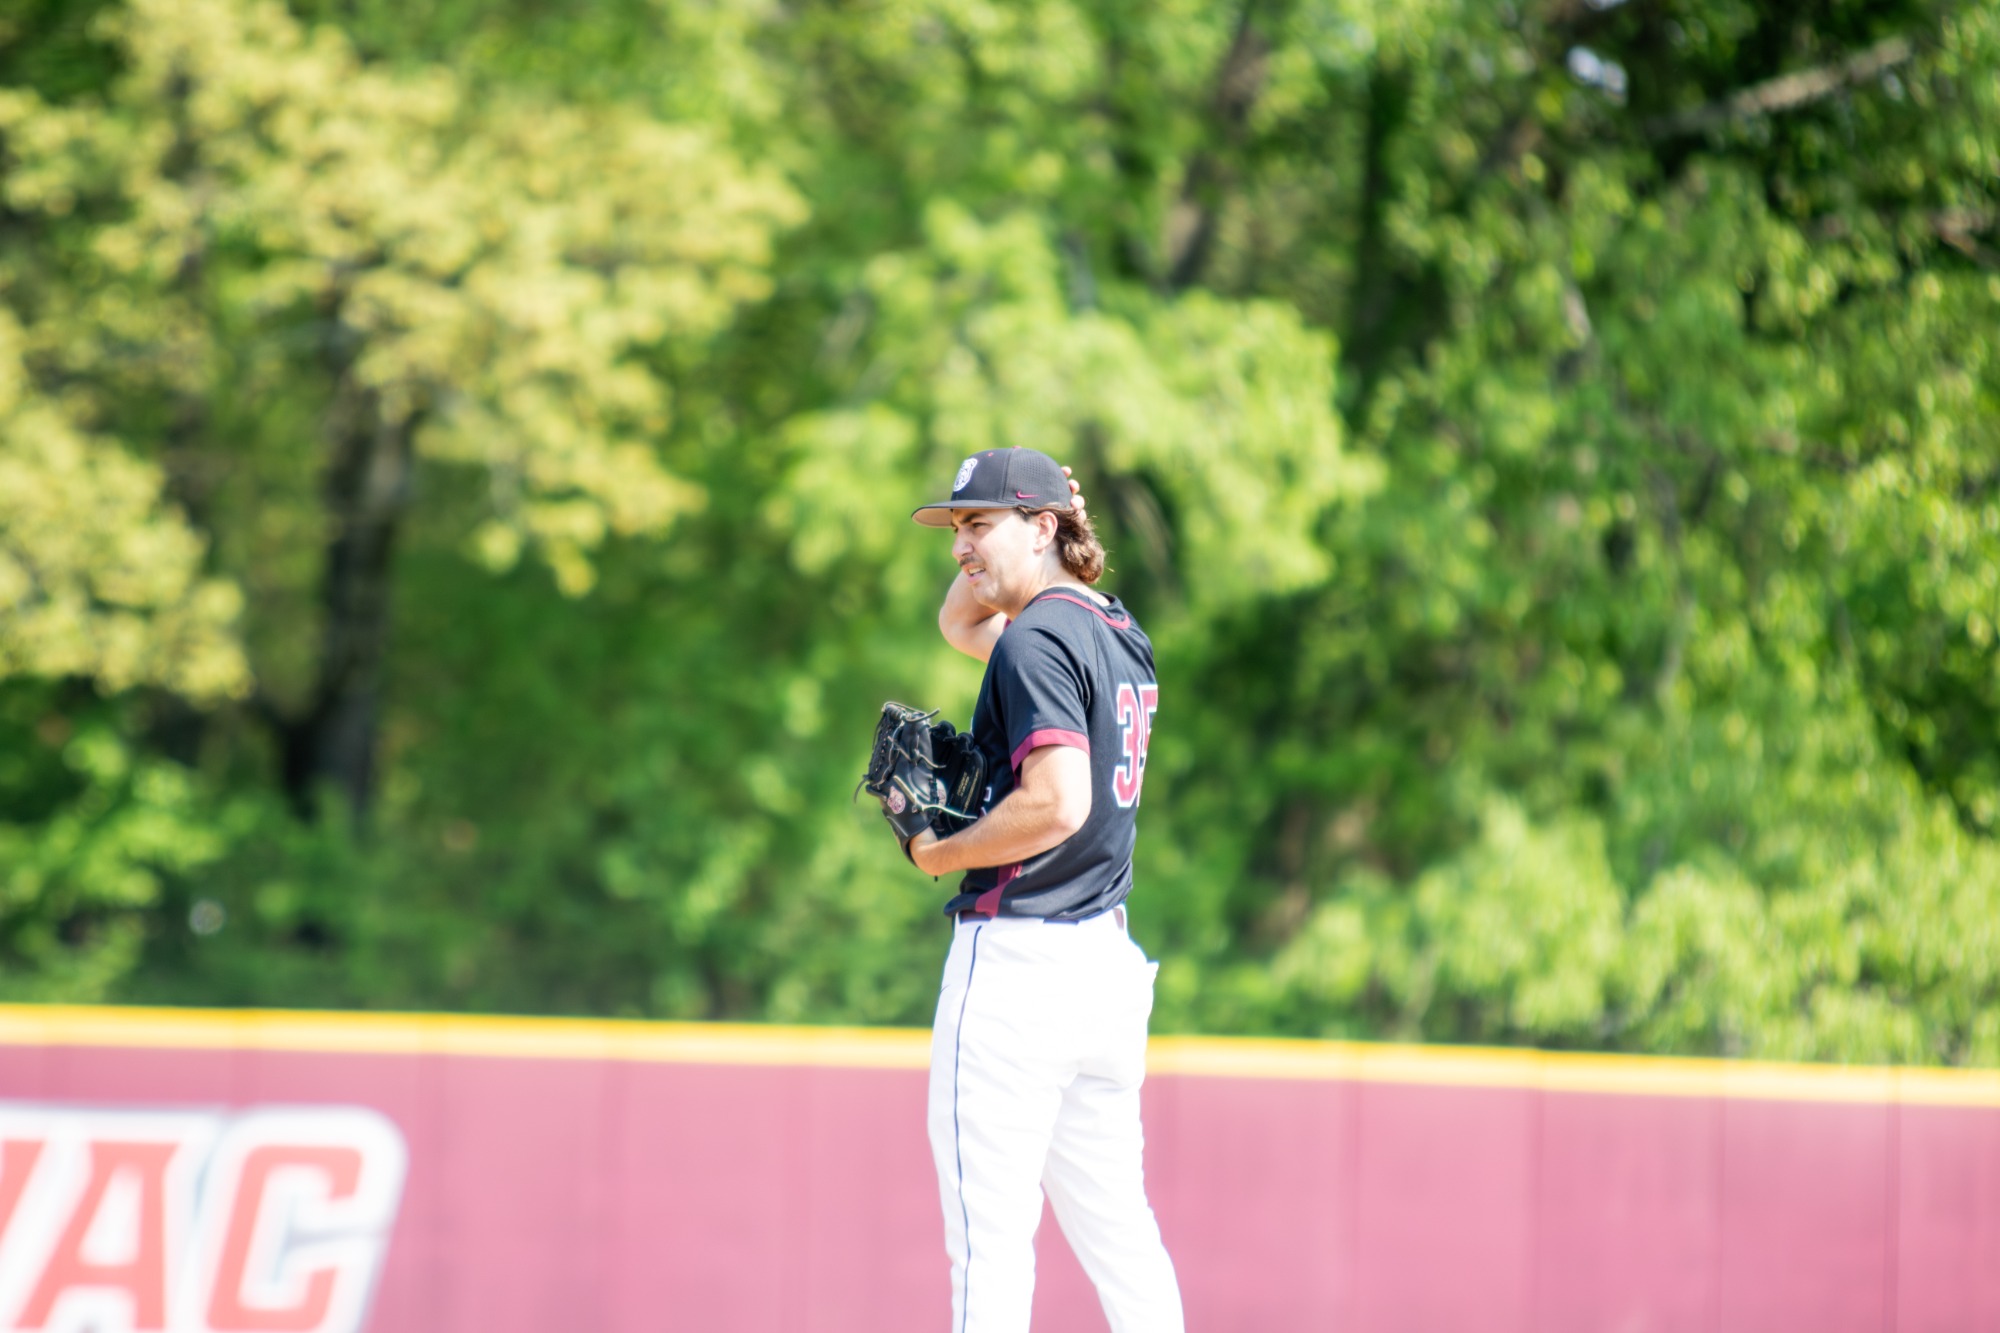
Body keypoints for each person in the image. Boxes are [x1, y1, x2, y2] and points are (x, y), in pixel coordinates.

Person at [904, 446, 1184, 1333]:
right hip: (1100, 972)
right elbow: (961, 623)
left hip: (1017, 970)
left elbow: (1059, 802)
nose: (961, 547)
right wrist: (1020, 544)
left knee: (989, 1250)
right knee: (1121, 1238)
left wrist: (937, 851)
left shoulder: (1034, 640)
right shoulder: (1111, 628)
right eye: (957, 527)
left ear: (1042, 524)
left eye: (979, 522)